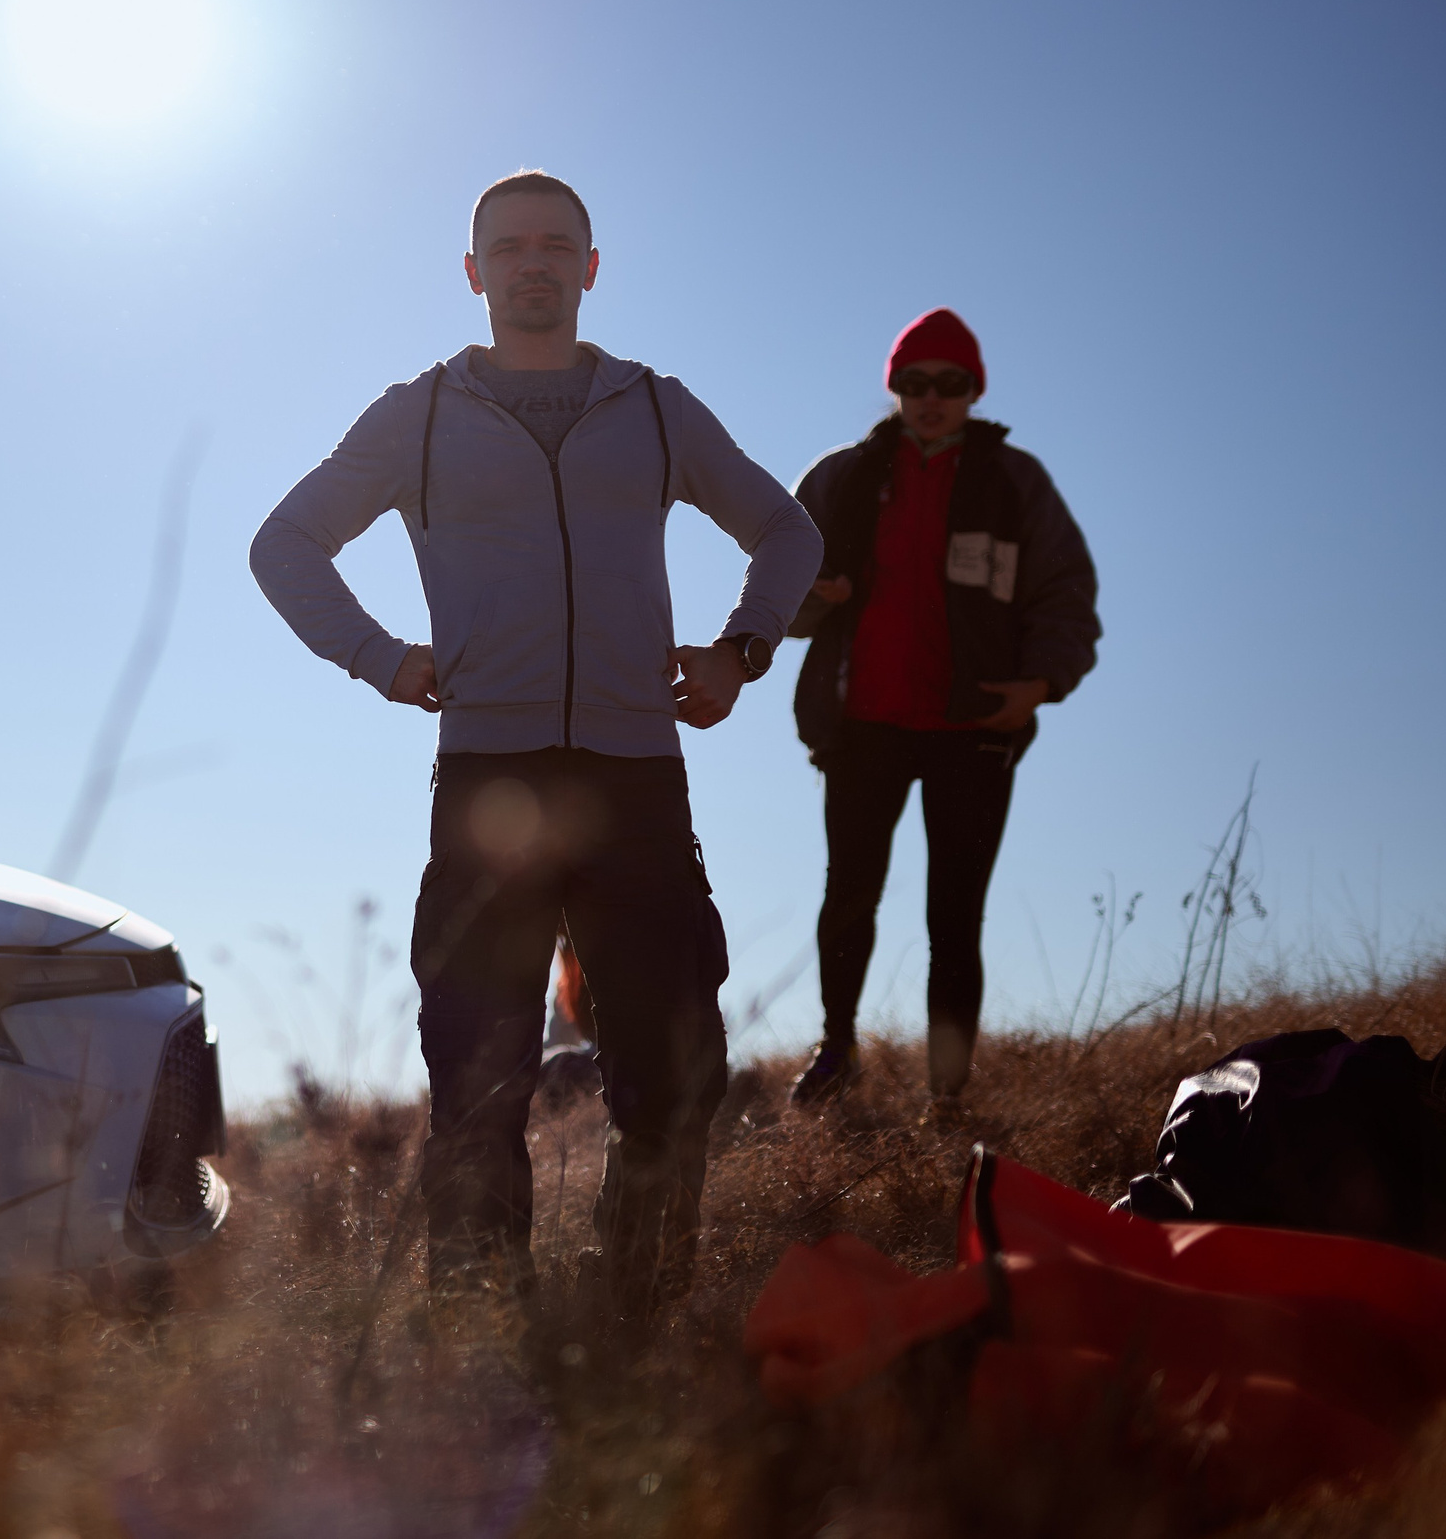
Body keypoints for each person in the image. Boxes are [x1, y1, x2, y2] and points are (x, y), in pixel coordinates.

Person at [250, 171, 822, 1328]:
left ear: (591, 267)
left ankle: (639, 1306)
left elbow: (787, 528)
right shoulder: (415, 412)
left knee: (674, 1069)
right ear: (472, 273)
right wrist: (379, 654)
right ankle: (476, 1326)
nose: (532, 261)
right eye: (507, 245)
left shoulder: (655, 408)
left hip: (634, 779)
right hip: (487, 780)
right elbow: (285, 543)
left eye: (556, 243)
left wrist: (740, 649)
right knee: (476, 1073)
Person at [785, 308, 1098, 1109]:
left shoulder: (1015, 481)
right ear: (894, 388)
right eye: (915, 383)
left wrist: (1040, 685)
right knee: (849, 894)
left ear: (974, 390)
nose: (931, 399)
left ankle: (948, 1096)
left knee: (956, 916)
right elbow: (775, 596)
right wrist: (815, 599)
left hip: (974, 730)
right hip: (862, 728)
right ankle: (837, 1052)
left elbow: (1067, 595)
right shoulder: (842, 478)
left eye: (950, 385)